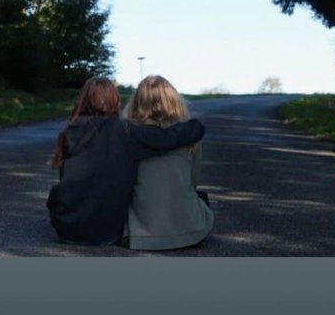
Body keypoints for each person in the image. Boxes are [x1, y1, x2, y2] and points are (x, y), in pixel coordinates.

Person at [46, 76, 205, 246]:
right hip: (107, 233)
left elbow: (66, 180)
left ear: (82, 101)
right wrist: (195, 127)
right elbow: (167, 138)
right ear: (115, 101)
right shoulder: (126, 131)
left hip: (66, 228)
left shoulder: (70, 131)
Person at [122, 75, 214, 250]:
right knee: (201, 199)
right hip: (190, 231)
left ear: (137, 102)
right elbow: (193, 182)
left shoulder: (127, 136)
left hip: (139, 234)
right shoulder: (191, 135)